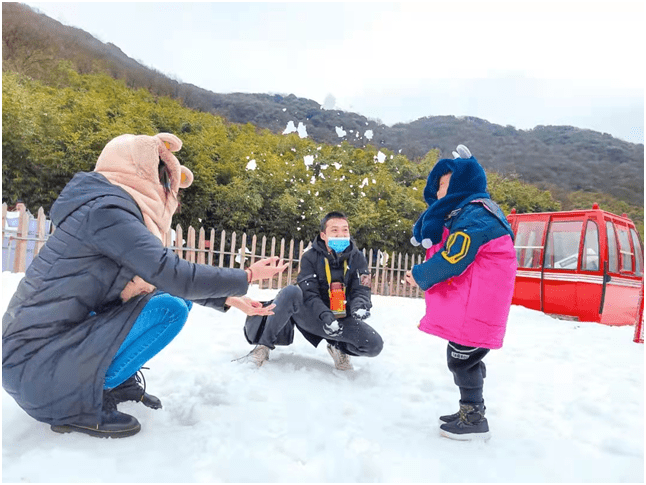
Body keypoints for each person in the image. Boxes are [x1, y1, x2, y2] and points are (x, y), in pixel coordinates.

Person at [2, 132, 287, 439]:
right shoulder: (106, 212)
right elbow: (171, 273)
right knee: (170, 309)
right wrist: (246, 277)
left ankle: (114, 381)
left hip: (38, 361)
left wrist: (228, 298)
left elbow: (158, 277)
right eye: (165, 182)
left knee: (164, 297)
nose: (171, 197)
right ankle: (80, 403)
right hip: (38, 369)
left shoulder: (102, 208)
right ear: (137, 170)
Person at [405, 145, 517, 441]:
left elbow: (455, 257)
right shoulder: (475, 212)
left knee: (461, 359)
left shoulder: (475, 216)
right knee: (466, 356)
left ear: (462, 183)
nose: (439, 192)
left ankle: (474, 418)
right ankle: (469, 408)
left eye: (445, 185)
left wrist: (420, 276)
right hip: (479, 303)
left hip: (477, 306)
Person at [242, 212, 383, 370]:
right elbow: (309, 294)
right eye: (335, 230)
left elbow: (363, 287)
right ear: (323, 235)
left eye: (345, 230)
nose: (341, 234)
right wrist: (325, 315)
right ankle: (263, 347)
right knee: (291, 291)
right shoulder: (310, 257)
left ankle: (337, 347)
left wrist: (360, 305)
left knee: (374, 345)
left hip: (341, 317)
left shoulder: (359, 258)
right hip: (312, 315)